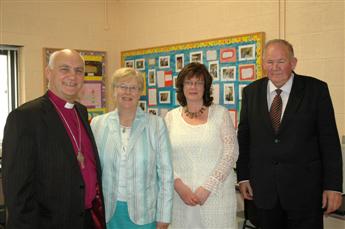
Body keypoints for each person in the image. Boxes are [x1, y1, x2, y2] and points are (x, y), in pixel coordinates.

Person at [237, 39, 343, 229]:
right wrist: (243, 177)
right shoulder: (250, 92)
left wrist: (333, 187)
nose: (275, 67)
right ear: (263, 64)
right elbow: (244, 139)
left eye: (281, 61)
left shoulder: (316, 90)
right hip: (264, 193)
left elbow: (329, 141)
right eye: (269, 62)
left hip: (306, 193)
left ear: (293, 63)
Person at [2, 49, 106, 229]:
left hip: (87, 220)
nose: (72, 76)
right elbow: (17, 192)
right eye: (64, 69)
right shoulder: (25, 117)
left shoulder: (81, 111)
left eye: (79, 70)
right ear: (48, 73)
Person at [90, 68, 173, 229]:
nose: (127, 92)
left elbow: (166, 175)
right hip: (107, 212)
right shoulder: (97, 124)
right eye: (122, 86)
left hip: (144, 214)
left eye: (133, 87)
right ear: (114, 90)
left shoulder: (156, 125)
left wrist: (164, 217)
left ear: (140, 92)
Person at [164, 62, 239, 228]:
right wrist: (178, 185)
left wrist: (207, 187)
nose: (193, 87)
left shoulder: (221, 114)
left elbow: (230, 153)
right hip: (180, 199)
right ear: (181, 87)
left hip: (216, 198)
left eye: (199, 82)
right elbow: (163, 158)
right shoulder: (170, 118)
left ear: (206, 87)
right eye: (189, 82)